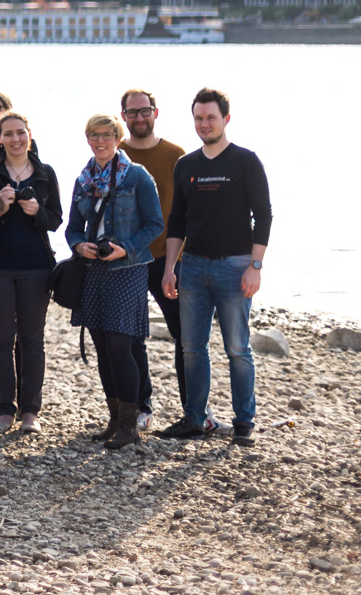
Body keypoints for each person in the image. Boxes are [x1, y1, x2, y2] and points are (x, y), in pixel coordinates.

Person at [159, 87, 272, 446]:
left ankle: (243, 422)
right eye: (198, 118)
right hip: (192, 267)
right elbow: (177, 220)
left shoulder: (245, 161)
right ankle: (195, 417)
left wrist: (255, 266)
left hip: (235, 266)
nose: (204, 124)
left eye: (210, 117)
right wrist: (169, 268)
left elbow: (264, 216)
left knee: (237, 348)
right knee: (192, 347)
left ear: (226, 118)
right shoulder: (186, 165)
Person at [65, 113, 166, 450]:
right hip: (93, 270)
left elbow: (155, 224)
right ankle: (114, 419)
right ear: (88, 139)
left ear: (118, 138)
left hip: (129, 269)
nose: (101, 141)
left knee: (120, 346)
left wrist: (125, 248)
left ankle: (130, 423)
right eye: (94, 135)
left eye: (107, 135)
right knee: (102, 349)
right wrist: (80, 245)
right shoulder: (83, 179)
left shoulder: (136, 176)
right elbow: (72, 228)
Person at [0, 111, 60, 433]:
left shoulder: (45, 172)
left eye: (20, 132)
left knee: (32, 340)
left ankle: (30, 412)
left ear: (29, 134)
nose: (15, 139)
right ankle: (4, 410)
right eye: (8, 133)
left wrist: (38, 211)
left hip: (36, 266)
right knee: (0, 340)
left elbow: (56, 219)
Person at [119, 87, 187, 432]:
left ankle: (192, 410)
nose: (139, 117)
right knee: (131, 337)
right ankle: (141, 406)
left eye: (145, 111)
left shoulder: (176, 155)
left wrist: (177, 264)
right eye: (132, 113)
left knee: (184, 335)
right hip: (127, 259)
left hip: (168, 258)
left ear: (156, 112)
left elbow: (187, 211)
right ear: (123, 117)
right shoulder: (115, 154)